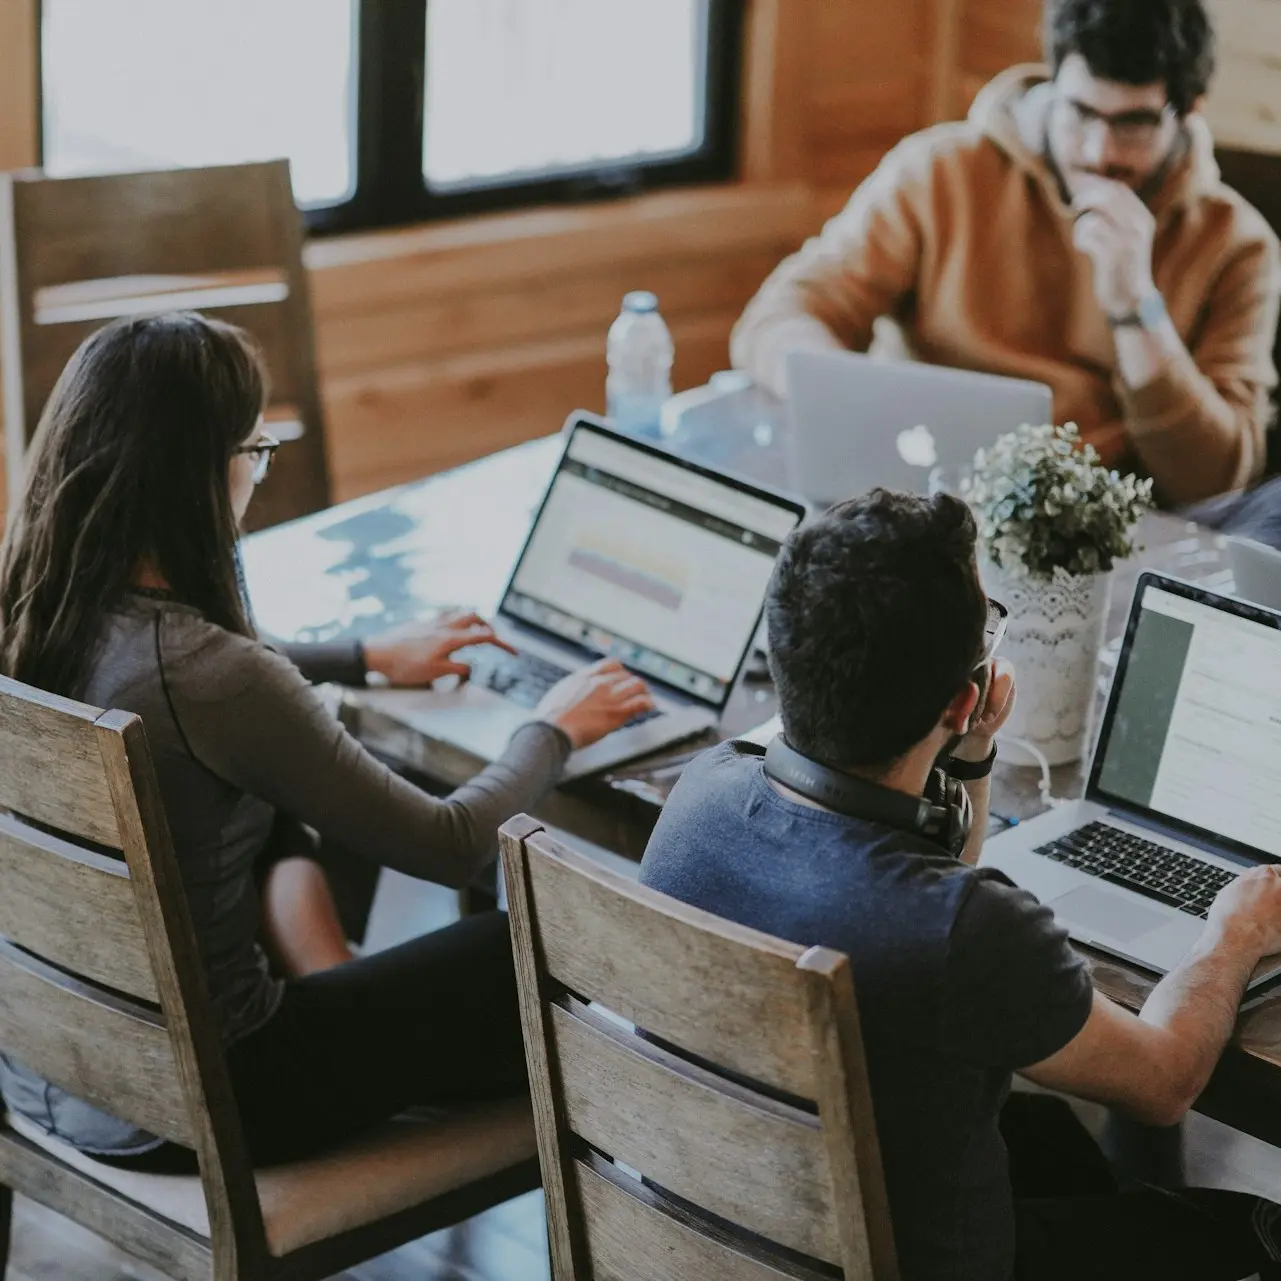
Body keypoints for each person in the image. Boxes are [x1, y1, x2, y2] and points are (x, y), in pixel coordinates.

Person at [0, 311, 654, 1171]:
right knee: (510, 949)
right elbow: (450, 843)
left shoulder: (35, 603)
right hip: (216, 1096)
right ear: (201, 473)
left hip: (48, 1064)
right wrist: (553, 725)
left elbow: (202, 679)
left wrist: (364, 656)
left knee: (273, 792)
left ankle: (325, 966)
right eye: (255, 450)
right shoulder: (215, 677)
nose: (258, 472)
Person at [641, 489, 1281, 1281]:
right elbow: (1162, 1082)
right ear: (962, 696)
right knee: (1255, 1228)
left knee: (1051, 1141)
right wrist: (1235, 932)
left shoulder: (699, 793)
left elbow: (926, 907)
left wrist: (969, 755)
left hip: (720, 1231)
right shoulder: (965, 929)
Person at [732, 0, 1281, 512]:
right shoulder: (941, 172)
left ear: (1188, 112)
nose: (1099, 153)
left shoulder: (1237, 246)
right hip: (916, 496)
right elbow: (778, 318)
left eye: (1133, 125)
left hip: (1094, 533)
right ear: (1053, 79)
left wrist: (1136, 308)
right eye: (1081, 113)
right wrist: (849, 403)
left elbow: (1217, 478)